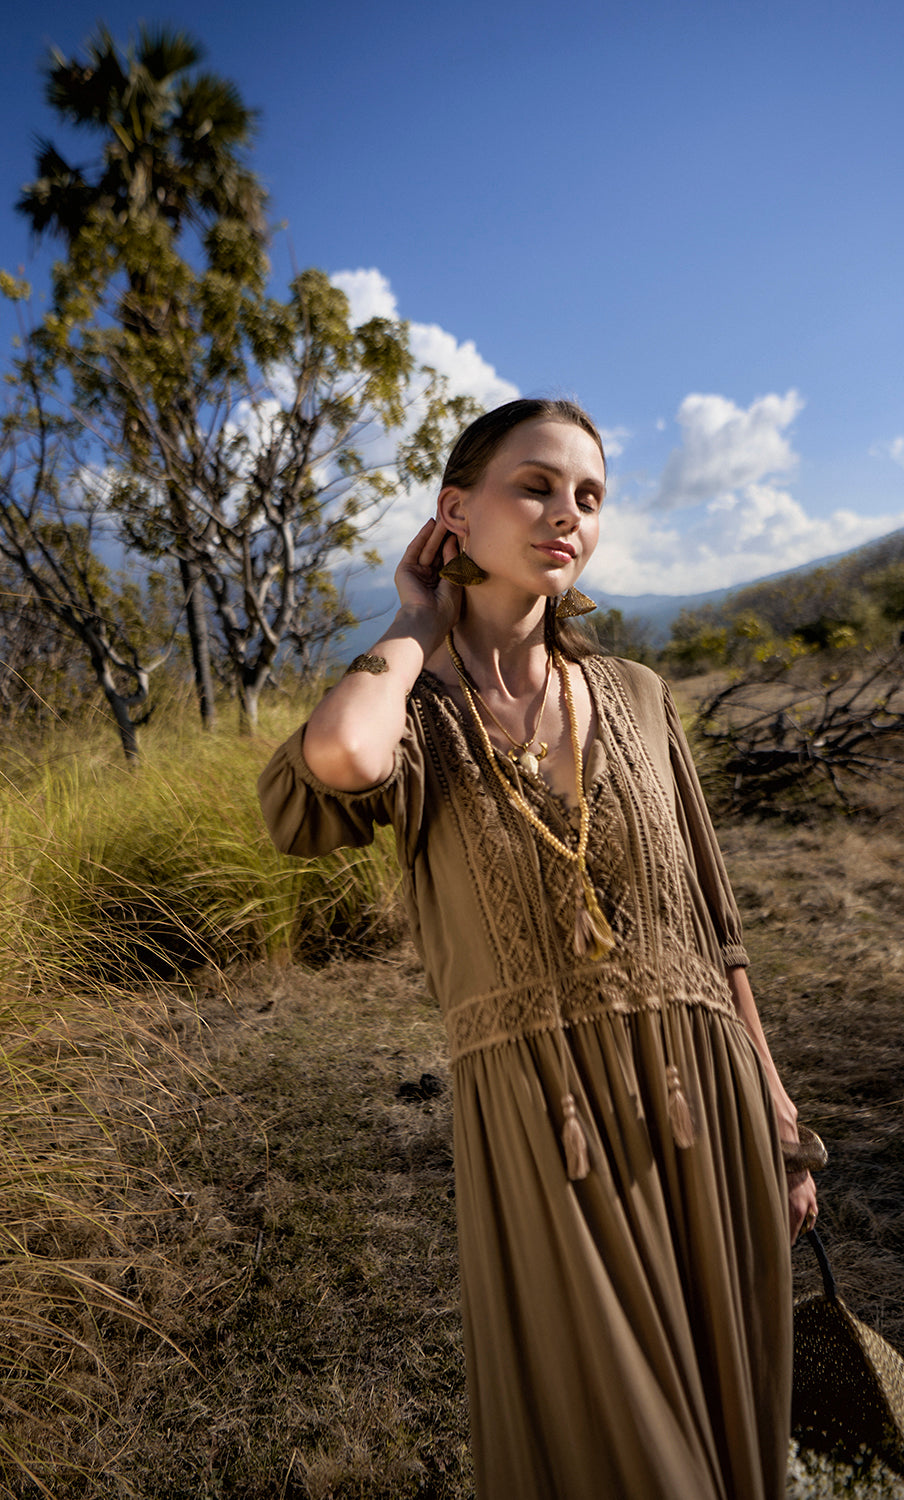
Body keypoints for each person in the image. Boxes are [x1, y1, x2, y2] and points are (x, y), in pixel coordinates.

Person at [257, 398, 821, 1500]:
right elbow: (334, 756)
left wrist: (778, 1106)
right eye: (535, 486)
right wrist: (414, 621)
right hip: (543, 1122)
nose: (568, 513)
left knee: (732, 1436)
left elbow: (718, 928)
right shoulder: (413, 716)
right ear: (454, 512)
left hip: (705, 1100)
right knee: (629, 1455)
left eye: (591, 496)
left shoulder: (637, 695)